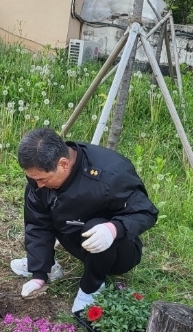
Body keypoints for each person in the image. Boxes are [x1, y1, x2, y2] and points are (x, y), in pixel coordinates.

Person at [11, 127, 158, 314]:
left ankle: (92, 288)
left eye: (42, 179)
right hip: (74, 234)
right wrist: (39, 274)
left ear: (63, 164)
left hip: (117, 250)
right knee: (47, 206)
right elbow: (37, 222)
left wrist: (114, 229)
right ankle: (48, 267)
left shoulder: (111, 176)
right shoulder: (40, 179)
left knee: (95, 227)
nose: (38, 184)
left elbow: (146, 212)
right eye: (33, 178)